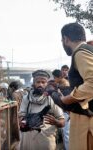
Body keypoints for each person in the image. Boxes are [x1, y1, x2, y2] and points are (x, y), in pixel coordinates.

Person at [59, 22, 93, 150]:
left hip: (86, 120)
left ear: (66, 39)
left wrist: (68, 99)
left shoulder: (80, 52)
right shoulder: (88, 50)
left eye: (62, 40)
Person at [19, 70, 65, 150]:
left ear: (47, 84)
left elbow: (62, 122)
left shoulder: (52, 99)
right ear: (34, 83)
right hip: (28, 139)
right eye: (38, 82)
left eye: (43, 82)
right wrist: (23, 122)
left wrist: (56, 122)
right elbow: (21, 117)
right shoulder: (26, 98)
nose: (40, 84)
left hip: (46, 141)